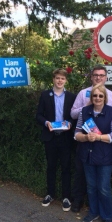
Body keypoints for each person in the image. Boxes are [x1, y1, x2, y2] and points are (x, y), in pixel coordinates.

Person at [70, 64, 112, 213]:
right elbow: (73, 115)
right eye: (95, 75)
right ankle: (80, 203)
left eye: (101, 75)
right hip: (86, 143)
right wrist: (87, 106)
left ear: (106, 77)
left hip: (104, 145)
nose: (98, 77)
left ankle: (106, 214)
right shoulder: (82, 93)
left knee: (103, 185)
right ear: (91, 77)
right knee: (83, 176)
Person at [36, 68, 76, 211]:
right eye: (57, 78)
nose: (60, 81)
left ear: (66, 80)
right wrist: (46, 123)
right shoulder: (45, 95)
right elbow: (39, 115)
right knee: (51, 167)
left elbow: (75, 116)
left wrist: (70, 123)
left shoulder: (71, 96)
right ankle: (50, 194)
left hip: (65, 137)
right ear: (53, 79)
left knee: (66, 167)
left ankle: (66, 197)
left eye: (62, 78)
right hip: (50, 136)